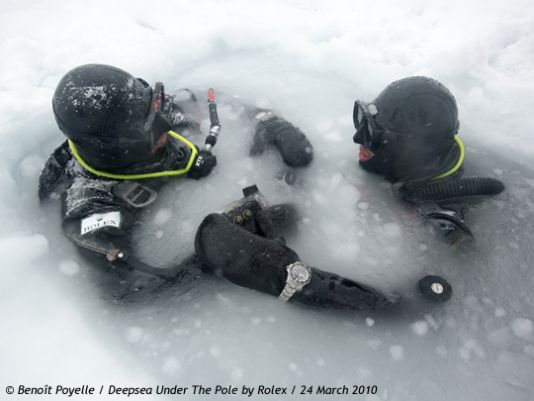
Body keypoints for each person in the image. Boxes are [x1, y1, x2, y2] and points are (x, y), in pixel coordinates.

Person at [39, 63, 392, 310]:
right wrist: (215, 258)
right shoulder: (91, 205)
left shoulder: (153, 114)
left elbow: (212, 96)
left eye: (156, 107)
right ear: (117, 145)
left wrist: (269, 121)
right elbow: (128, 291)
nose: (165, 121)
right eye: (150, 124)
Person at [352, 76, 505, 244]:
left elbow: (463, 263)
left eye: (371, 134)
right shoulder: (410, 166)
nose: (358, 138)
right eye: (362, 123)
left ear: (410, 150)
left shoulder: (442, 218)